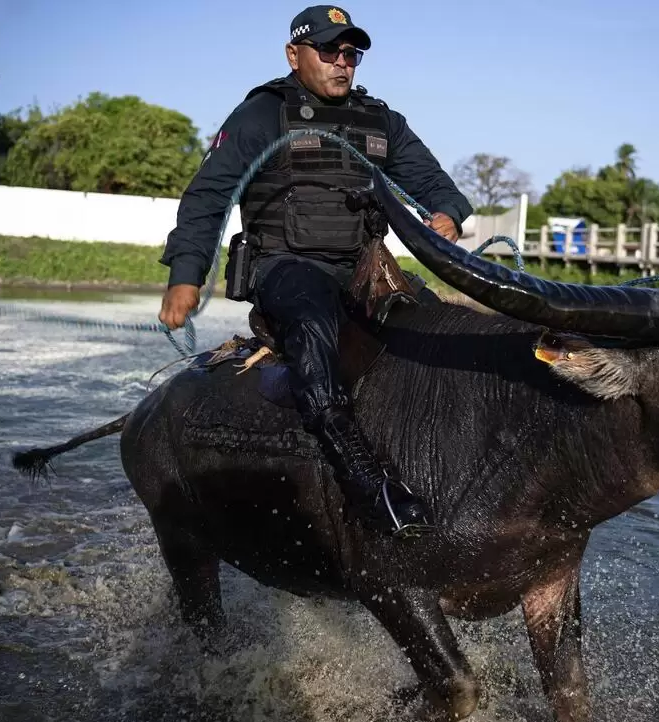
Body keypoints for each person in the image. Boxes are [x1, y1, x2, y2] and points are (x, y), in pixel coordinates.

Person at [157, 5, 474, 538]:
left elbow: (437, 184)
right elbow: (208, 195)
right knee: (311, 325)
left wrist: (448, 214)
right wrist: (185, 276)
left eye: (351, 53)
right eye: (330, 50)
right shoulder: (263, 113)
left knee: (447, 334)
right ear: (294, 54)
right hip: (287, 266)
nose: (343, 63)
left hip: (366, 271)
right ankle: (361, 477)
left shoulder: (381, 120)